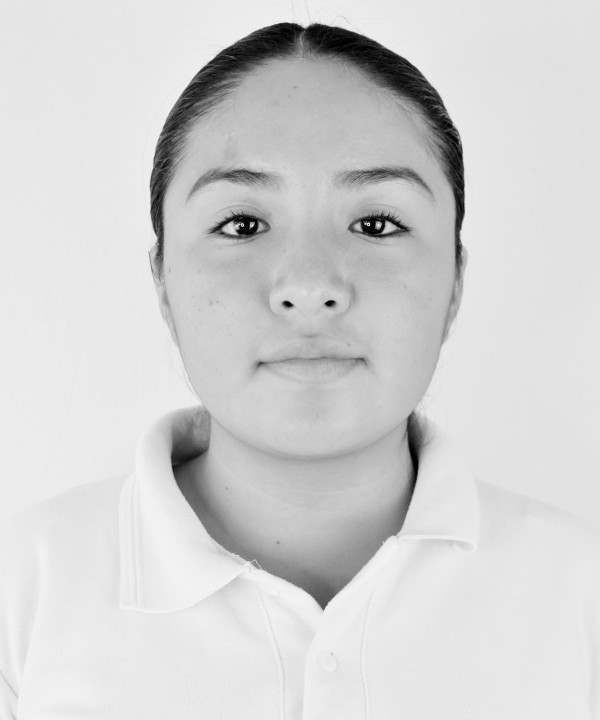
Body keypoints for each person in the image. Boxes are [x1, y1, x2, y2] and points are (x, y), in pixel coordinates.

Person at [1, 21, 598, 719]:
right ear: (163, 281)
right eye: (242, 225)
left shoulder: (580, 597)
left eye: (376, 224)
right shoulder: (25, 592)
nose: (310, 286)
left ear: (455, 282)